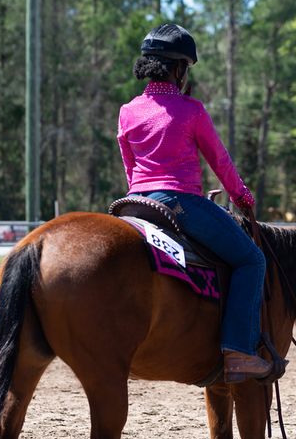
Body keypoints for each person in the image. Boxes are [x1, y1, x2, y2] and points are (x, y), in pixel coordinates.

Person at [117, 22, 272, 383]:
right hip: (180, 202)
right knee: (252, 260)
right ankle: (238, 352)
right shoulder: (191, 111)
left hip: (135, 202)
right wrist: (243, 197)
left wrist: (139, 194)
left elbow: (130, 166)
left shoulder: (127, 111)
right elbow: (220, 161)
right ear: (178, 69)